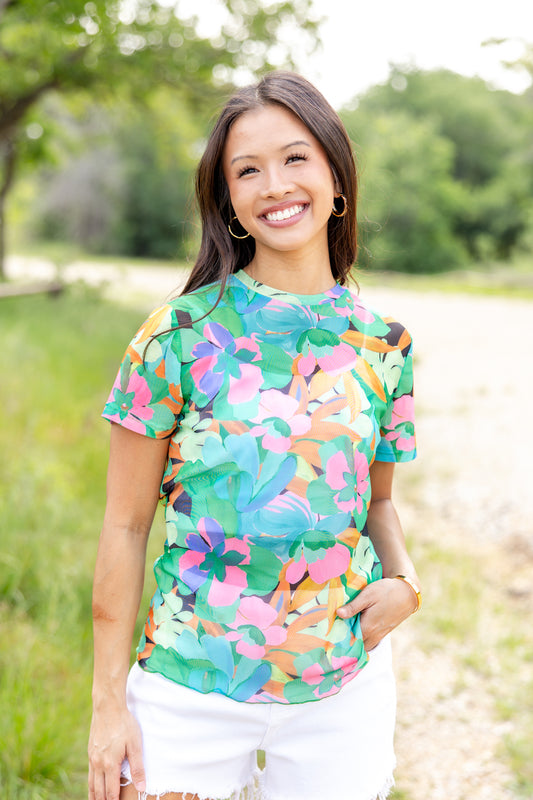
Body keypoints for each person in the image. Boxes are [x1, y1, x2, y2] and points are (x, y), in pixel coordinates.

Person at [88, 71, 421, 800]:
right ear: (231, 203)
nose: (274, 184)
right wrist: (108, 706)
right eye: (248, 170)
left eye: (295, 158)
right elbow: (123, 525)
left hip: (340, 688)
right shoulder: (177, 335)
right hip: (188, 688)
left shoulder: (383, 345)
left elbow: (378, 503)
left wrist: (405, 582)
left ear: (336, 179)